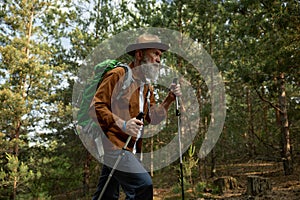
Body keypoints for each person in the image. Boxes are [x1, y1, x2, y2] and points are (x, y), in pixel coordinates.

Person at [90, 33, 182, 200]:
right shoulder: (118, 75)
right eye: (155, 53)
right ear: (139, 54)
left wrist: (169, 99)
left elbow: (153, 118)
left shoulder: (147, 87)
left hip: (131, 149)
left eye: (160, 56)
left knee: (106, 195)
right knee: (142, 186)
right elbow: (96, 107)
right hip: (114, 146)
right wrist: (123, 124)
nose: (159, 59)